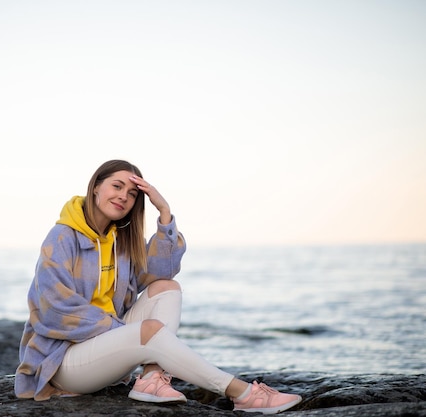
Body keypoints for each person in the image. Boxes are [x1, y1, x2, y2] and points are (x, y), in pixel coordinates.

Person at [15, 159, 302, 414]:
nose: (123, 197)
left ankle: (152, 378)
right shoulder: (62, 237)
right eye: (116, 186)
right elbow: (54, 309)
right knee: (148, 331)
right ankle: (242, 393)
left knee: (167, 287)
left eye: (131, 194)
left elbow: (161, 271)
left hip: (107, 352)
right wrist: (131, 334)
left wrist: (164, 212)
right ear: (95, 188)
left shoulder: (120, 241)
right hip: (63, 364)